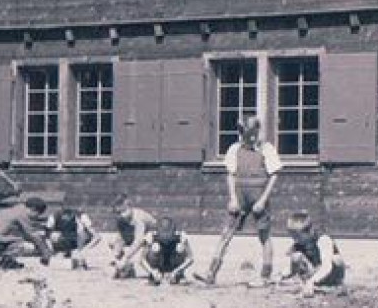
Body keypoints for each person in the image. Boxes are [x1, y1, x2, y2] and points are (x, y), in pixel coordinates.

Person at [197, 113, 282, 286]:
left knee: (264, 235)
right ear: (241, 132)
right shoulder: (235, 149)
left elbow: (274, 175)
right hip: (240, 195)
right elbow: (231, 175)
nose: (251, 137)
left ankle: (265, 276)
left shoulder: (267, 149)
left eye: (253, 133)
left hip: (259, 194)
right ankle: (211, 273)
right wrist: (233, 199)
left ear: (258, 130)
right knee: (226, 233)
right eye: (246, 133)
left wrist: (263, 200)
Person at [0, 190, 52, 268]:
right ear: (33, 209)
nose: (36, 217)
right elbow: (33, 236)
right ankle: (5, 261)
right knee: (26, 246)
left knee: (15, 238)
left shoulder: (16, 209)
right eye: (37, 215)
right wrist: (45, 254)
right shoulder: (23, 214)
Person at [284, 211, 345, 297]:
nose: (295, 240)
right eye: (293, 236)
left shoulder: (323, 239)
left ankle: (335, 286)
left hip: (329, 275)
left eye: (298, 236)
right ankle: (305, 285)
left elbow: (327, 266)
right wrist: (283, 276)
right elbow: (290, 266)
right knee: (296, 256)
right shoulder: (298, 244)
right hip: (313, 273)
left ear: (310, 231)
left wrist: (312, 281)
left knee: (336, 259)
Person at [135, 217, 195, 285]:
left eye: (168, 231)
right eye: (163, 231)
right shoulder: (151, 235)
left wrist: (177, 271)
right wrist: (152, 271)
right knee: (155, 247)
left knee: (180, 247)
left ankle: (179, 276)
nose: (166, 235)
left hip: (174, 265)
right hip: (158, 265)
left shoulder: (181, 236)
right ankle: (154, 277)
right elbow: (141, 259)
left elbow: (190, 258)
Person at [110, 196, 157, 279]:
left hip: (156, 241)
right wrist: (116, 256)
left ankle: (156, 271)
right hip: (139, 235)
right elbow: (120, 238)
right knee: (114, 243)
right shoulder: (122, 219)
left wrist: (125, 258)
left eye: (123, 211)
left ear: (129, 207)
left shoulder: (139, 218)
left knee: (148, 243)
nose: (121, 215)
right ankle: (128, 268)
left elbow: (138, 241)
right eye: (118, 213)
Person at [48, 205, 100, 269]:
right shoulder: (81, 215)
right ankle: (75, 257)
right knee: (77, 247)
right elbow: (96, 236)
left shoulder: (54, 215)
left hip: (63, 239)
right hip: (75, 239)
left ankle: (70, 255)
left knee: (56, 236)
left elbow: (48, 230)